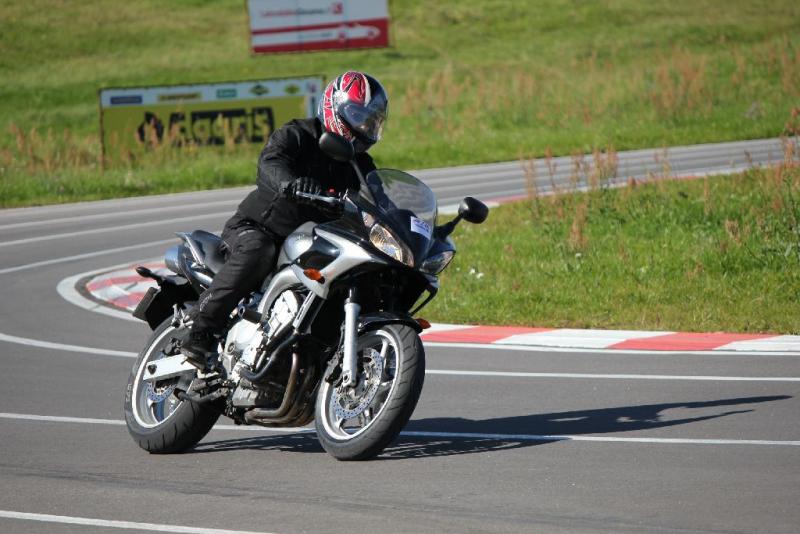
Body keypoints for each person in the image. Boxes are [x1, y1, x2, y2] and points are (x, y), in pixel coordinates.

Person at [180, 71, 389, 369]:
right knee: (258, 250)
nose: (364, 127)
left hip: (312, 243)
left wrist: (405, 223)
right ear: (334, 107)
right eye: (357, 116)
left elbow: (379, 201)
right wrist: (291, 183)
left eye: (370, 121)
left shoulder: (360, 165)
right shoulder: (298, 134)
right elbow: (270, 162)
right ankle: (200, 330)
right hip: (259, 228)